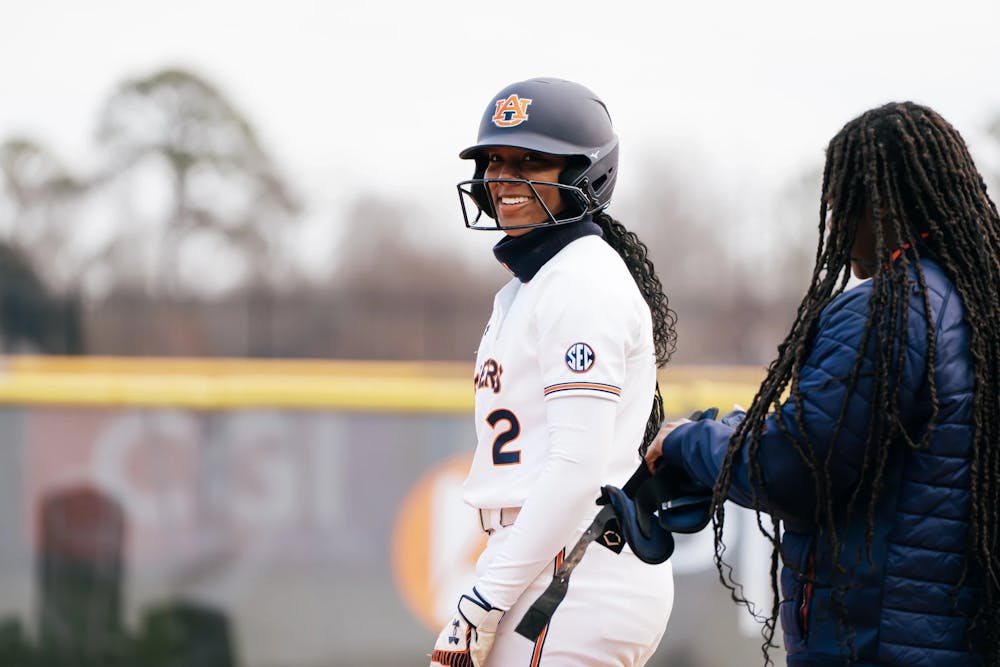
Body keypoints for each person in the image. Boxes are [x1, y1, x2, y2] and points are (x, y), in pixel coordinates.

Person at [646, 101, 1000, 665]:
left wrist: (693, 442)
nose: (834, 227)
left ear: (878, 204)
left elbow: (795, 466)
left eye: (840, 207)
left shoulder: (886, 311)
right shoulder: (975, 304)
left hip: (875, 646)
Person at [429, 78, 677, 666]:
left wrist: (481, 603)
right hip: (548, 559)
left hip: (576, 569)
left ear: (583, 174)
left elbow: (575, 470)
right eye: (495, 159)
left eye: (530, 160)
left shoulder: (580, 283)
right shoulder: (534, 285)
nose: (503, 177)